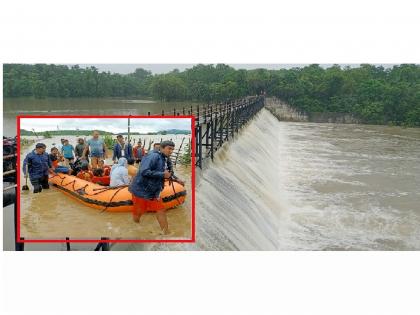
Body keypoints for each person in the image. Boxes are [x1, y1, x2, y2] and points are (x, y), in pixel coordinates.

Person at [129, 140, 179, 235]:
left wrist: (176, 178)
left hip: (154, 190)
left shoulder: (165, 158)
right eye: (169, 148)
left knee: (160, 210)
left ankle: (167, 233)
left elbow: (168, 172)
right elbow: (144, 171)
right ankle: (135, 227)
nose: (171, 151)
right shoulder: (153, 156)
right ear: (162, 148)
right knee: (139, 212)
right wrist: (162, 174)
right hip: (141, 190)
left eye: (172, 149)